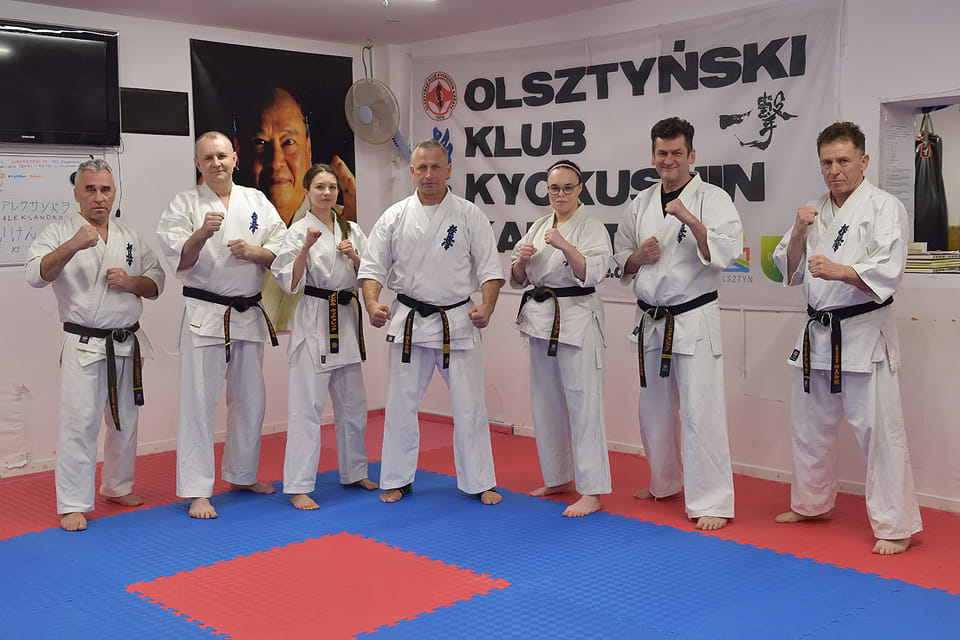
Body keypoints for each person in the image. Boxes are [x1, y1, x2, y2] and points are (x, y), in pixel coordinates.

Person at [771, 121, 922, 555]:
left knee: (880, 433)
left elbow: (890, 270)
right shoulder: (813, 209)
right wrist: (797, 232)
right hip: (817, 334)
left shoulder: (884, 207)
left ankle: (896, 525)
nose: (834, 170)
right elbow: (788, 270)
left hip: (863, 333)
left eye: (843, 160)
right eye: (826, 162)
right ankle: (811, 504)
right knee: (809, 427)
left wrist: (843, 271)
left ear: (863, 161)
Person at [613, 116, 743, 531]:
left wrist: (690, 219)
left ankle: (713, 500)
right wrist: (638, 257)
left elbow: (728, 252)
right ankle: (664, 482)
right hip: (650, 318)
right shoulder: (641, 203)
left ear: (691, 155)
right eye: (661, 153)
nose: (668, 160)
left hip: (693, 317)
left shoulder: (713, 198)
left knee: (701, 411)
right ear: (653, 155)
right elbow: (621, 258)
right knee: (653, 409)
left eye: (676, 153)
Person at [358, 138, 504, 505]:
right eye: (421, 167)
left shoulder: (469, 214)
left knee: (470, 405)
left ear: (448, 169)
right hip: (409, 320)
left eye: (435, 167)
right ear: (412, 171)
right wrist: (372, 303)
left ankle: (479, 481)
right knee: (401, 405)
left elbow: (490, 268)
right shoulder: (394, 216)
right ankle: (397, 478)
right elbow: (372, 267)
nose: (428, 174)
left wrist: (487, 307)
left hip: (457, 319)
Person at [26, 159, 165, 531]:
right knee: (79, 424)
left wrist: (132, 283)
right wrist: (73, 245)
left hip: (126, 341)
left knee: (126, 421)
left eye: (105, 189)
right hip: (84, 342)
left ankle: (118, 486)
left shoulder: (129, 235)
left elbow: (156, 282)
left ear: (114, 192)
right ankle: (73, 502)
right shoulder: (59, 232)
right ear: (77, 194)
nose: (99, 197)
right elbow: (35, 275)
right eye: (90, 189)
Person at [156, 131, 287, 519]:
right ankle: (197, 490)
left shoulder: (257, 201)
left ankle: (242, 475)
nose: (216, 162)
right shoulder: (184, 204)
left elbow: (281, 249)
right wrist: (201, 233)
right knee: (199, 402)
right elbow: (179, 260)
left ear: (235, 158)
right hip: (205, 313)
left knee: (250, 399)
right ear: (197, 164)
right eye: (208, 157)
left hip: (248, 312)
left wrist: (255, 252)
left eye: (222, 155)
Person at [271, 164, 377, 509]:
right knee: (307, 407)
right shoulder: (297, 230)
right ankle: (299, 485)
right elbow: (288, 282)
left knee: (354, 404)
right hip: (314, 318)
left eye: (332, 187)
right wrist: (305, 247)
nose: (327, 192)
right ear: (307, 192)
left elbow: (372, 273)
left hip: (345, 318)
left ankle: (355, 471)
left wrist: (354, 255)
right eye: (319, 187)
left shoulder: (352, 229)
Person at [511, 159, 612, 517]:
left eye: (568, 187)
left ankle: (592, 491)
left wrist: (565, 245)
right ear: (547, 190)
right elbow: (518, 278)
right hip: (541, 319)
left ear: (580, 188)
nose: (561, 194)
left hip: (578, 319)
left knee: (584, 405)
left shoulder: (592, 226)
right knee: (546, 401)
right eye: (554, 188)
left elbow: (593, 272)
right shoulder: (539, 225)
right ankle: (558, 476)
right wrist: (521, 261)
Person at [234, 87, 358, 331]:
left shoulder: (346, 222)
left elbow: (368, 276)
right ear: (238, 151)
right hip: (252, 334)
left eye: (288, 142)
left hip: (335, 325)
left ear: (308, 148)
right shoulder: (230, 221)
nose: (275, 161)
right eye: (260, 142)